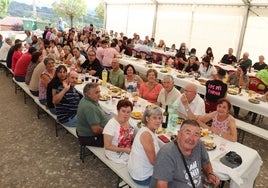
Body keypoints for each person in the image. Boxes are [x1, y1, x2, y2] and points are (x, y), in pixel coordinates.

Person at [150, 119, 220, 188]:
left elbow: (206, 162)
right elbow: (161, 185)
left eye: (196, 134)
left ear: (199, 137)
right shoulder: (166, 154)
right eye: (188, 133)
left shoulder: (199, 145)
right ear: (179, 134)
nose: (191, 138)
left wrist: (209, 174)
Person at [128, 105, 162, 186]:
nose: (158, 121)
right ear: (147, 118)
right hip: (143, 177)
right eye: (154, 118)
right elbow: (154, 161)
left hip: (135, 169)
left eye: (159, 118)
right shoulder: (146, 135)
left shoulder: (146, 130)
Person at [76, 82, 110, 147]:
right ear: (88, 94)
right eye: (96, 92)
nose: (99, 95)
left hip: (82, 131)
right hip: (89, 137)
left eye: (99, 92)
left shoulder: (86, 99)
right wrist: (109, 132)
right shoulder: (90, 107)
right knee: (119, 140)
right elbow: (96, 130)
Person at [103, 99, 135, 164]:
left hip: (128, 150)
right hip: (115, 153)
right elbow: (107, 146)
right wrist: (125, 150)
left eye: (128, 112)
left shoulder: (130, 121)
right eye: (123, 111)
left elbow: (131, 137)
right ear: (118, 111)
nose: (126, 114)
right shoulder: (111, 125)